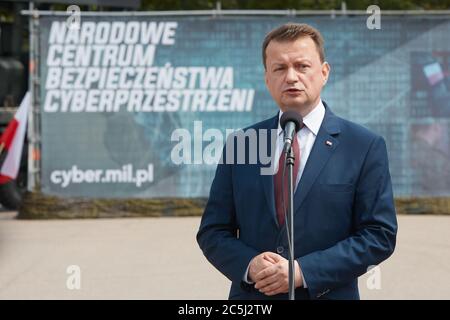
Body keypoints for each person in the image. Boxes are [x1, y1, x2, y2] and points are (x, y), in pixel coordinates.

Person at [197, 23, 397, 300]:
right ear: (267, 78)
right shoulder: (241, 144)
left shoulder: (363, 145)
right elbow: (213, 231)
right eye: (279, 68)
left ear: (324, 73)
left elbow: (379, 235)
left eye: (302, 66)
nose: (291, 77)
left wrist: (304, 271)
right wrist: (249, 265)